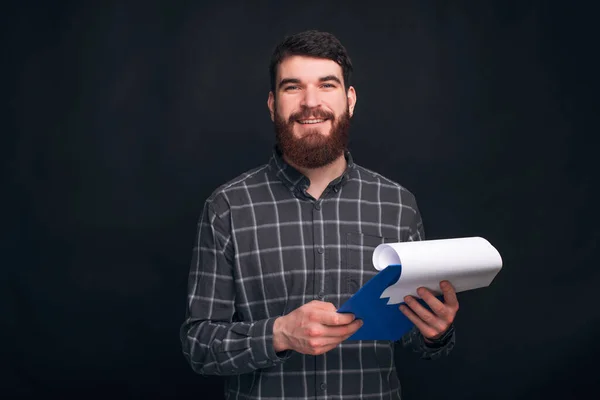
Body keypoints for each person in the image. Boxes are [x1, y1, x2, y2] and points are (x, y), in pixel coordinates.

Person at [180, 30, 459, 399]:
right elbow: (199, 345)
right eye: (292, 87)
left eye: (326, 85)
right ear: (271, 103)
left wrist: (436, 332)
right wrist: (278, 333)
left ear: (350, 99)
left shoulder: (398, 205)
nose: (310, 102)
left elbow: (413, 337)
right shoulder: (227, 207)